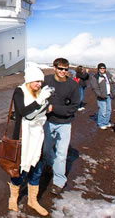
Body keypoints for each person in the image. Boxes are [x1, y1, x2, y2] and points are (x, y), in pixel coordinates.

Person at [7, 66, 53, 215]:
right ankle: (13, 198)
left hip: (38, 135)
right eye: (36, 81)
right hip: (22, 136)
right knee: (18, 170)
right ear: (29, 80)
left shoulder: (41, 92)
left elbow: (43, 111)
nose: (39, 84)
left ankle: (32, 200)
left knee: (37, 168)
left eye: (41, 81)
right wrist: (39, 101)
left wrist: (47, 105)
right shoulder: (19, 91)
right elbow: (22, 111)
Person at [34, 57, 79, 196]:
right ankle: (54, 166)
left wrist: (54, 108)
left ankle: (59, 181)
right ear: (54, 68)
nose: (63, 71)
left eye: (65, 69)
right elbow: (35, 94)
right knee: (46, 150)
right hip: (47, 122)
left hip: (64, 124)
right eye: (60, 68)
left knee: (62, 153)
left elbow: (74, 106)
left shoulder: (73, 85)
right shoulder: (46, 81)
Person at [89, 63, 115, 129]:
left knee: (109, 109)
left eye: (103, 68)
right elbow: (95, 87)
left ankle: (106, 122)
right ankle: (101, 123)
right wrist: (100, 94)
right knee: (102, 110)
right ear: (98, 69)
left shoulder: (108, 75)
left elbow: (112, 84)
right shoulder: (96, 77)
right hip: (101, 96)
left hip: (108, 95)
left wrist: (113, 92)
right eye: (101, 68)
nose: (102, 69)